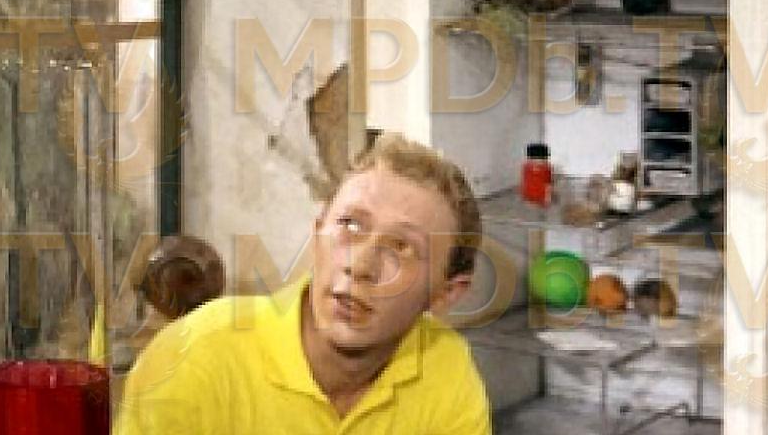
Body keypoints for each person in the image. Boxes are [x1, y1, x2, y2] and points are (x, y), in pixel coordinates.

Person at [115, 133, 492, 434]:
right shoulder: (194, 354)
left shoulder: (444, 367)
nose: (360, 266)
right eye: (350, 225)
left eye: (401, 247)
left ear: (446, 293)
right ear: (317, 232)